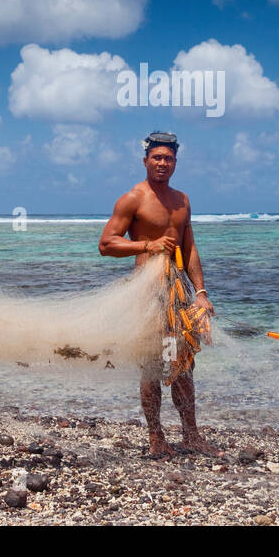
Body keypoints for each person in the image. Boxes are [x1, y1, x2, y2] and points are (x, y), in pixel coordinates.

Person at [99, 132, 220, 459]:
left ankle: (191, 436)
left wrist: (201, 292)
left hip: (178, 292)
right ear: (146, 161)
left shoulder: (182, 200)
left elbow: (189, 248)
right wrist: (147, 245)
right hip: (147, 294)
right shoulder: (133, 199)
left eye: (168, 158)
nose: (162, 163)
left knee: (183, 362)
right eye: (157, 158)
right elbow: (106, 244)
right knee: (153, 364)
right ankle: (156, 438)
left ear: (175, 163)